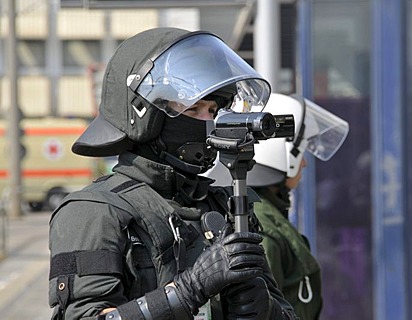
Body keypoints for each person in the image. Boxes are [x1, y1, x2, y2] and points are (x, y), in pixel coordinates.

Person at [48, 27, 298, 320]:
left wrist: (263, 309)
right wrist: (187, 291)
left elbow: (288, 313)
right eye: (194, 110)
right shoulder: (93, 212)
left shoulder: (223, 206)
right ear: (147, 117)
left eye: (213, 109)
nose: (209, 121)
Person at [204, 93, 349, 319]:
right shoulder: (260, 226)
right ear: (285, 156)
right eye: (302, 152)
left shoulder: (261, 213)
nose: (305, 162)